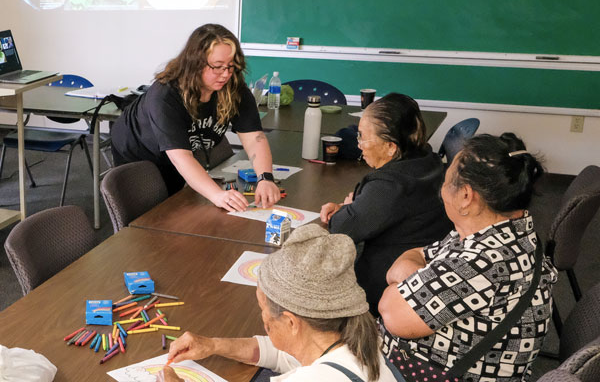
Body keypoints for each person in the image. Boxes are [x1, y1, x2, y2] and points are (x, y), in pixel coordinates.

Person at [378, 133, 558, 382]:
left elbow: (389, 311)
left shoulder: (481, 262)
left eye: (446, 179)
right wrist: (416, 282)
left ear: (465, 196)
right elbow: (415, 255)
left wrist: (406, 285)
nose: (442, 188)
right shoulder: (504, 231)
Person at [159, 224, 402, 381]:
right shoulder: (358, 338)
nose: (263, 319)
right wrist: (213, 345)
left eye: (263, 309)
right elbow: (285, 353)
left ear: (290, 321)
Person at [110, 24, 280, 211]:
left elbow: (254, 138)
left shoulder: (233, 88)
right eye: (217, 67)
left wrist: (265, 178)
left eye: (231, 67)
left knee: (175, 204)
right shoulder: (166, 95)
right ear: (195, 63)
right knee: (151, 211)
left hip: (178, 152)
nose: (226, 74)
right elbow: (180, 157)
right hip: (137, 149)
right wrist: (217, 195)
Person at [320, 93, 452, 315]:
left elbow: (342, 228)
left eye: (362, 137)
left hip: (386, 295)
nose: (359, 145)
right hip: (422, 283)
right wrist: (354, 207)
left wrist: (347, 211)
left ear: (391, 147)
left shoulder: (390, 186)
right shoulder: (428, 160)